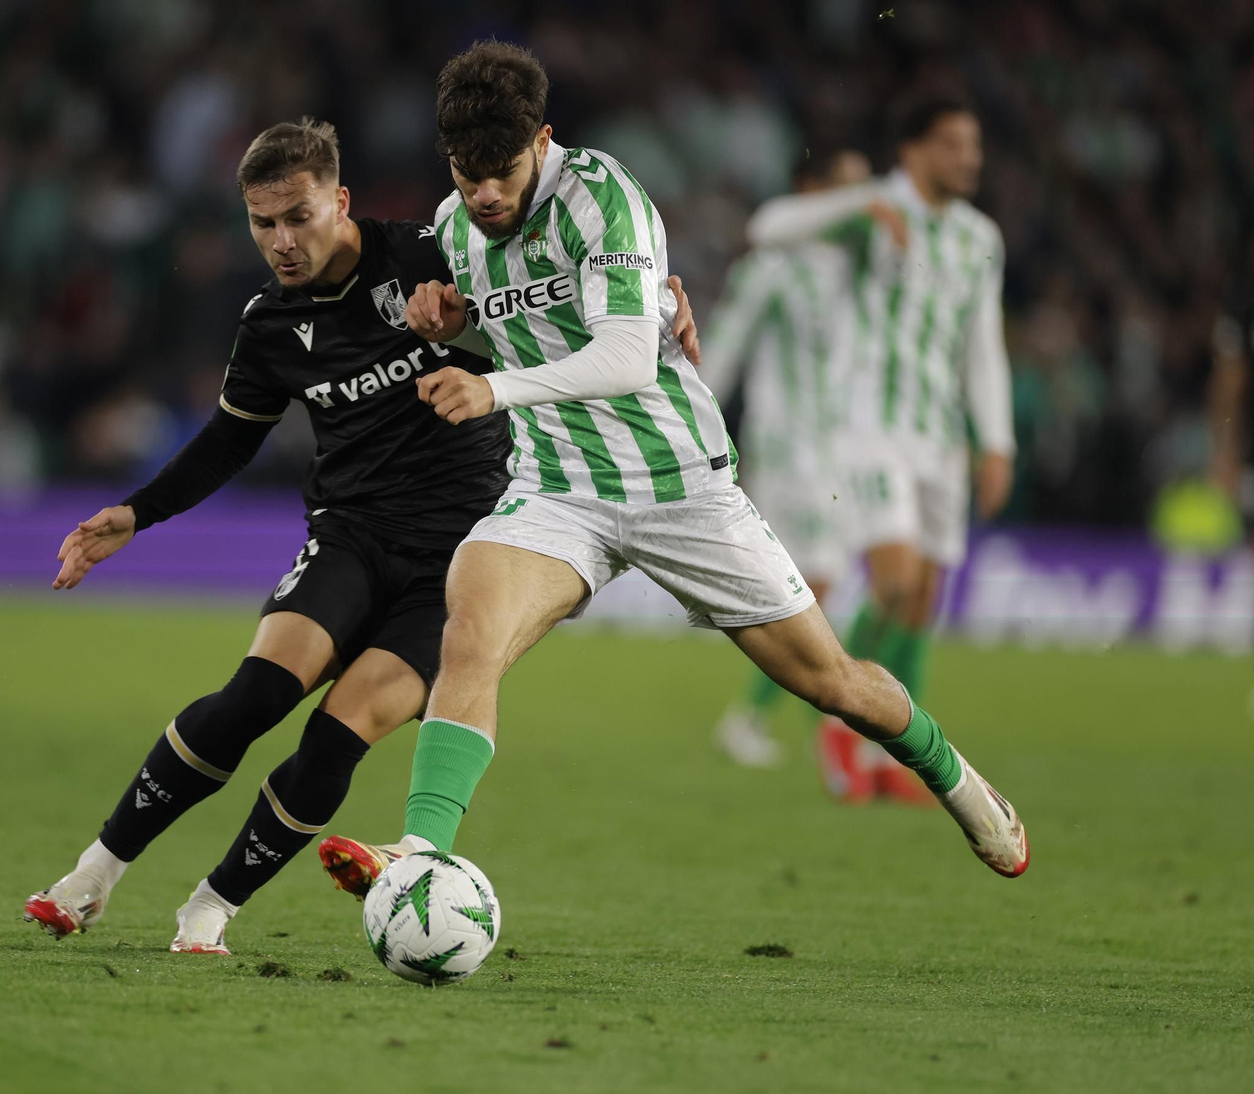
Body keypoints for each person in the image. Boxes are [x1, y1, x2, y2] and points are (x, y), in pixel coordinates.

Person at [318, 43, 1027, 898]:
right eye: (467, 175)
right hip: (559, 487)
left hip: (679, 485)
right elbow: (514, 326)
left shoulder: (604, 197)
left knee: (833, 683)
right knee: (468, 625)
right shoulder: (460, 226)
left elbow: (622, 356)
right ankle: (421, 851)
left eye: (501, 172)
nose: (485, 194)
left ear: (542, 140)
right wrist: (452, 328)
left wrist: (491, 385)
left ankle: (957, 779)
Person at [23, 118, 704, 953]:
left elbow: (561, 284)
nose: (282, 241)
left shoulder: (431, 254)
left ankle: (211, 907)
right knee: (256, 697)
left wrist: (666, 298)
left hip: (466, 554)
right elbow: (230, 438)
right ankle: (91, 876)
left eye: (298, 217)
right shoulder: (271, 323)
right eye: (262, 223)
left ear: (340, 201)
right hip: (351, 535)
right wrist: (138, 511)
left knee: (336, 736)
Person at [743, 94, 1016, 802]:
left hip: (941, 439)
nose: (970, 158)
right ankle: (841, 722)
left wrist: (997, 440)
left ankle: (899, 757)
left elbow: (982, 347)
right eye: (955, 144)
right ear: (916, 150)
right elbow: (767, 227)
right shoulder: (873, 215)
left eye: (974, 145)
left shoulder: (979, 238)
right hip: (870, 432)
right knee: (893, 581)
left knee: (922, 600)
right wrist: (858, 203)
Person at [702, 148, 872, 771]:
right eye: (847, 190)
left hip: (844, 448)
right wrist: (699, 428)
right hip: (788, 444)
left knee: (815, 585)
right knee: (814, 581)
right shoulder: (774, 266)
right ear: (815, 192)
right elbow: (723, 349)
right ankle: (790, 720)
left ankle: (777, 716)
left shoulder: (861, 269)